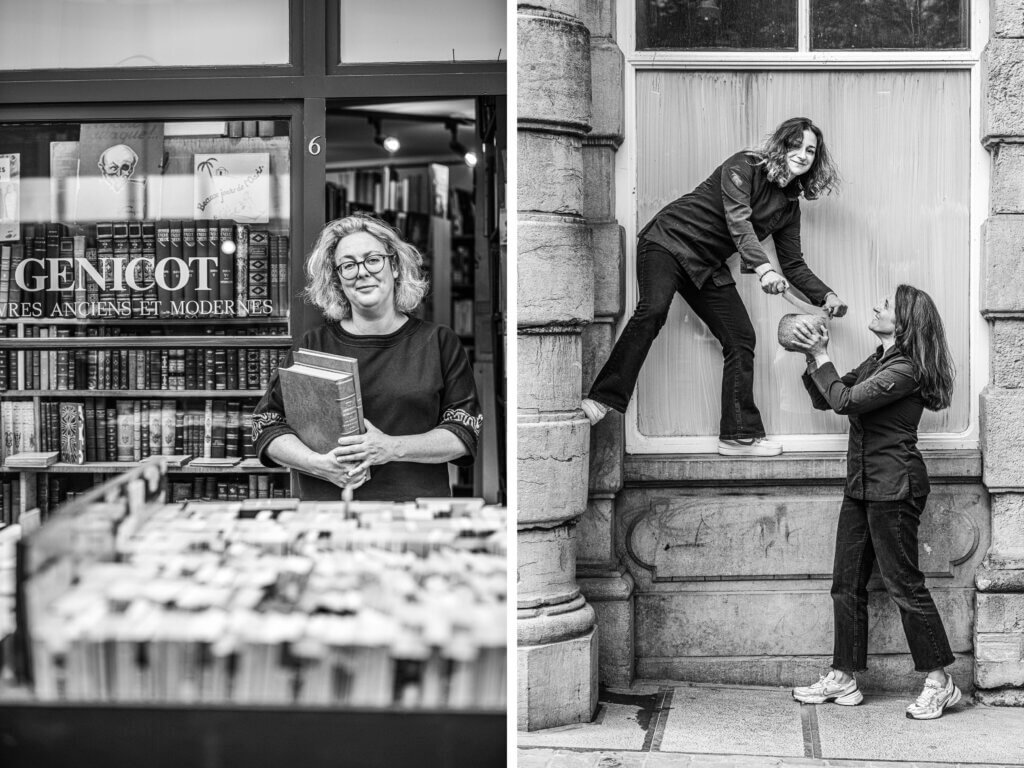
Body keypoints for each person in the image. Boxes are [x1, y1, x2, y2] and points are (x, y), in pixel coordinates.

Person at [582, 117, 847, 456]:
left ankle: (738, 435)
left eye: (810, 150)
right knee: (653, 310)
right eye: (796, 144)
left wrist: (826, 295)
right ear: (781, 144)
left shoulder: (789, 207)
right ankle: (601, 398)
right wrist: (764, 270)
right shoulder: (744, 165)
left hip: (706, 264)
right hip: (668, 240)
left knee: (741, 338)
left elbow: (793, 263)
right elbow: (738, 220)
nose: (802, 154)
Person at [789, 284, 960, 720]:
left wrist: (825, 358)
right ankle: (843, 677)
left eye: (886, 305)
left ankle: (941, 681)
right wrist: (813, 354)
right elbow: (828, 395)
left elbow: (846, 401)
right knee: (845, 584)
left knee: (904, 585)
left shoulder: (906, 369)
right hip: (862, 485)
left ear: (903, 322)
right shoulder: (878, 360)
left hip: (895, 486)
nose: (876, 307)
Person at [251, 214, 482, 501]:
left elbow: (464, 432)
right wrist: (317, 464)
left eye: (373, 260)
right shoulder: (313, 346)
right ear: (337, 279)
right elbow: (266, 424)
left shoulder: (438, 342)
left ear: (394, 266)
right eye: (348, 265)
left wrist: (389, 447)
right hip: (330, 519)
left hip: (416, 519)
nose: (361, 272)